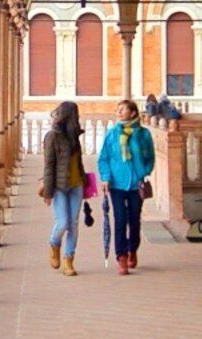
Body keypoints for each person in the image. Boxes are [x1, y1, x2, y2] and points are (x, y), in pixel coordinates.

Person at [94, 98, 157, 273]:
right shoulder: (112, 134)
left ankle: (132, 249)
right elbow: (103, 158)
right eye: (118, 109)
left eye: (123, 109)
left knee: (134, 219)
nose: (119, 112)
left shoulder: (143, 134)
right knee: (120, 219)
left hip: (137, 184)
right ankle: (121, 256)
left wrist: (144, 171)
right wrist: (105, 178)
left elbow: (150, 157)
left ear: (133, 112)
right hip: (117, 184)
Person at [39, 100, 89, 275]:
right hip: (59, 187)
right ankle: (54, 244)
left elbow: (78, 162)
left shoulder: (75, 136)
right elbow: (49, 166)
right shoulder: (52, 136)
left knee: (73, 224)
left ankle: (69, 261)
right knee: (63, 223)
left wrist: (85, 183)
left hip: (76, 185)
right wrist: (48, 192)